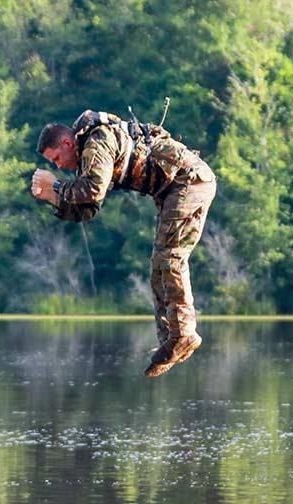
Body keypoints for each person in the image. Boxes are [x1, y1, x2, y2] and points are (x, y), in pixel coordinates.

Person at [30, 109, 216, 378]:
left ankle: (184, 335)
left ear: (68, 143)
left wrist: (57, 186)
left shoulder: (97, 140)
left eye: (57, 158)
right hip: (174, 189)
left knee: (171, 258)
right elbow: (88, 209)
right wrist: (52, 197)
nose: (59, 166)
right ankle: (171, 340)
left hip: (189, 181)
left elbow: (92, 189)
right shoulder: (87, 157)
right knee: (159, 265)